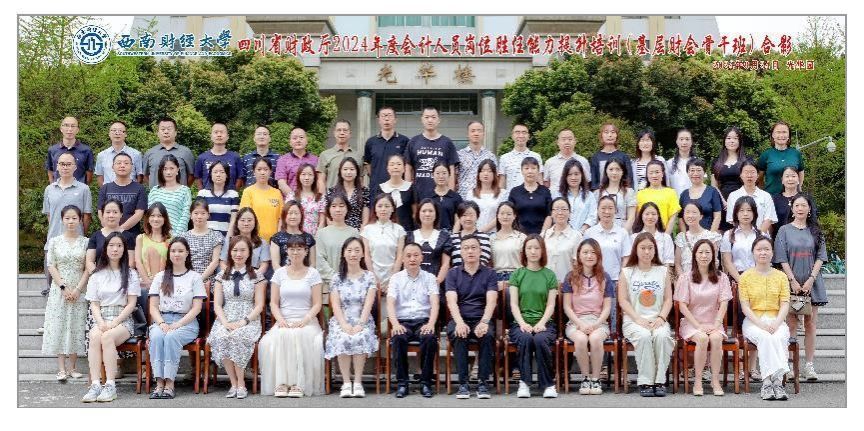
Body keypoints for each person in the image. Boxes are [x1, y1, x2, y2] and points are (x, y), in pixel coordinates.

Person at [259, 236, 325, 397]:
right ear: (287, 251)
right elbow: (273, 303)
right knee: (278, 336)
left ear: (306, 251)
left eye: (299, 249)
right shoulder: (279, 273)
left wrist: (305, 320)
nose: (295, 252)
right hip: (284, 321)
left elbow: (317, 304)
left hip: (307, 322)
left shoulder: (313, 273)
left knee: (298, 335)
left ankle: (298, 384)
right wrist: (281, 320)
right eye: (292, 249)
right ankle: (282, 383)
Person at [81, 232, 141, 403]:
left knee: (107, 337)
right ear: (105, 249)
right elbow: (94, 304)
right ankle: (95, 385)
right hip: (101, 318)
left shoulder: (131, 274)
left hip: (123, 319)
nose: (115, 249)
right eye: (111, 245)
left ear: (124, 249)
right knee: (94, 336)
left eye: (119, 246)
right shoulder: (97, 275)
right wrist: (100, 322)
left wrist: (115, 321)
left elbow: (131, 304)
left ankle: (110, 385)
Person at [774, 193, 827, 381]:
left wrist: (811, 279)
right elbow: (781, 257)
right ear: (792, 208)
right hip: (790, 283)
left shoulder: (816, 231)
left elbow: (821, 256)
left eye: (804, 205)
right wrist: (792, 281)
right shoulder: (784, 230)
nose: (800, 208)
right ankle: (789, 364)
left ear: (809, 208)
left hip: (812, 283)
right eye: (797, 205)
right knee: (791, 324)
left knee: (810, 324)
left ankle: (809, 366)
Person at [207, 235, 267, 399]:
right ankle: (233, 383)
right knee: (221, 336)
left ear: (249, 253)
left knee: (237, 337)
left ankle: (241, 383)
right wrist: (225, 322)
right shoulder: (221, 276)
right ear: (229, 252)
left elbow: (259, 305)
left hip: (248, 319)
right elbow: (217, 305)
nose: (238, 254)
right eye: (235, 250)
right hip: (226, 318)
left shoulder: (257, 276)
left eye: (242, 250)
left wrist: (244, 321)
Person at [147, 238, 206, 399]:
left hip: (186, 322)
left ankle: (170, 383)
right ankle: (159, 382)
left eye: (180, 251)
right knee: (157, 336)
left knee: (171, 336)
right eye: (173, 251)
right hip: (163, 319)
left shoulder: (195, 277)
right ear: (169, 254)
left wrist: (178, 324)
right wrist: (161, 323)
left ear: (187, 253)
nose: (177, 254)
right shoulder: (160, 277)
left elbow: (196, 308)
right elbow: (153, 307)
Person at [674, 239, 733, 396]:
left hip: (714, 321)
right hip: (691, 322)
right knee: (702, 338)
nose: (704, 255)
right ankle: (698, 380)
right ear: (694, 255)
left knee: (716, 338)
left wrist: (716, 324)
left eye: (708, 252)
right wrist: (698, 326)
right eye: (700, 252)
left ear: (713, 255)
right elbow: (682, 306)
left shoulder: (721, 277)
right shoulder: (686, 278)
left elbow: (724, 303)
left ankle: (715, 380)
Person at [618, 232, 674, 397]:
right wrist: (638, 319)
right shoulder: (627, 272)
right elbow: (623, 300)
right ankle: (645, 381)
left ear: (655, 250)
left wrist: (661, 318)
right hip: (634, 320)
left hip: (658, 319)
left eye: (650, 248)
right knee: (643, 336)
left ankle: (659, 380)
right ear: (635, 250)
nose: (647, 252)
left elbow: (668, 299)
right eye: (643, 248)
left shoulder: (663, 271)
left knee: (662, 336)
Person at [324, 237, 380, 398]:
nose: (353, 254)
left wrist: (360, 324)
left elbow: (369, 304)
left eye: (357, 250)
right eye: (349, 250)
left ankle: (358, 382)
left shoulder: (369, 277)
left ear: (362, 254)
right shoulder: (337, 278)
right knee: (342, 337)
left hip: (363, 319)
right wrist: (343, 324)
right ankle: (346, 383)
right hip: (341, 319)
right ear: (343, 254)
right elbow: (335, 305)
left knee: (360, 336)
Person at [738, 235, 791, 401]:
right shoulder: (745, 277)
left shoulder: (781, 276)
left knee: (779, 336)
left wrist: (776, 323)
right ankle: (768, 382)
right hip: (753, 321)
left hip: (777, 320)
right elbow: (745, 307)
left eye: (766, 249)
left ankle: (776, 383)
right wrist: (761, 324)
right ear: (753, 252)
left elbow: (785, 304)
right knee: (765, 337)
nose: (763, 252)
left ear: (772, 253)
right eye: (759, 249)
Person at [445, 235, 498, 399]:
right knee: (459, 334)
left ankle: (483, 382)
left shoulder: (490, 273)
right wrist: (460, 323)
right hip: (460, 318)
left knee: (487, 335)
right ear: (461, 252)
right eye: (466, 248)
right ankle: (463, 383)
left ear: (480, 251)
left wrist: (484, 322)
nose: (470, 251)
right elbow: (451, 301)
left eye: (474, 247)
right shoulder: (453, 274)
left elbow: (491, 301)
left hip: (482, 318)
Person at [508, 234, 559, 398]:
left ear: (542, 251)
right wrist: (522, 323)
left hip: (545, 323)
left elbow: (551, 305)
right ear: (524, 251)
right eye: (529, 248)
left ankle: (548, 385)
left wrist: (542, 323)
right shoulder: (517, 274)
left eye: (537, 248)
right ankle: (524, 383)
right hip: (520, 323)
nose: (533, 251)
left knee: (540, 339)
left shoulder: (549, 275)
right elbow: (514, 304)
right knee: (525, 338)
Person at [42, 205, 89, 382]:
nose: (71, 221)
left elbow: (87, 268)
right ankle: (61, 368)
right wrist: (63, 287)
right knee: (60, 325)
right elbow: (51, 265)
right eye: (67, 218)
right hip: (59, 290)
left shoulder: (86, 242)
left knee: (76, 325)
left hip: (80, 288)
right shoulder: (54, 241)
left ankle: (73, 367)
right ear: (62, 220)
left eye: (74, 218)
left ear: (80, 220)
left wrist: (77, 289)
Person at [562, 238, 614, 395]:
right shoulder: (570, 277)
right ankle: (585, 378)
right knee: (581, 339)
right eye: (585, 252)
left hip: (599, 322)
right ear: (579, 255)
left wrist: (596, 324)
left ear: (598, 255)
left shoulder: (605, 277)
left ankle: (596, 379)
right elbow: (567, 306)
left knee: (595, 338)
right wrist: (580, 324)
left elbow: (607, 307)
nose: (589, 256)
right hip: (575, 322)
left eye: (593, 252)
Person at [387, 242, 440, 398]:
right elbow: (390, 303)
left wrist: (431, 324)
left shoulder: (430, 278)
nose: (412, 259)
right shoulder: (396, 278)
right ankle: (402, 383)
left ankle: (426, 382)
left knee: (429, 338)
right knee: (398, 338)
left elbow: (435, 303)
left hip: (423, 321)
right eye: (408, 256)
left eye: (416, 255)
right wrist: (395, 324)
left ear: (422, 257)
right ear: (403, 259)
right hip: (402, 321)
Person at [42, 153, 93, 296]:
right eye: (62, 164)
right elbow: (49, 215)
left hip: (77, 243)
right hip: (53, 240)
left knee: (77, 283)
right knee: (52, 285)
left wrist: (79, 234)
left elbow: (87, 216)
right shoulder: (49, 189)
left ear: (75, 167)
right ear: (57, 166)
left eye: (69, 164)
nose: (65, 167)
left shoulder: (84, 189)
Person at [585, 196, 632, 332]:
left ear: (615, 211)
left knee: (613, 316)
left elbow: (626, 258)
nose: (607, 212)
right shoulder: (590, 232)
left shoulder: (622, 233)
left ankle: (612, 340)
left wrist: (621, 279)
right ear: (597, 210)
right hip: (593, 280)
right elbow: (584, 256)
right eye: (603, 208)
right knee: (594, 314)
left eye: (610, 208)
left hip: (615, 281)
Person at [404, 106, 460, 201]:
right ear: (422, 119)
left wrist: (450, 196)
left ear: (439, 120)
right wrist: (408, 193)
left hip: (441, 196)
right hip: (418, 195)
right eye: (427, 117)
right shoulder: (413, 142)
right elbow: (408, 169)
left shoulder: (447, 142)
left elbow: (452, 171)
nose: (430, 120)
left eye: (433, 117)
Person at [360, 193, 406, 290]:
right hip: (372, 277)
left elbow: (400, 256)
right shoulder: (367, 230)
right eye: (380, 206)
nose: (383, 209)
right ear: (375, 209)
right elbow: (367, 255)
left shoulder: (399, 230)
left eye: (387, 206)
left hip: (393, 277)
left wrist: (392, 279)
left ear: (392, 209)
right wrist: (373, 278)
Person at [97, 152, 147, 238]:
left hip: (132, 235)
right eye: (119, 163)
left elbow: (139, 214)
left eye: (126, 163)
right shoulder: (105, 188)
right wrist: (110, 230)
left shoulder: (139, 188)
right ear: (113, 167)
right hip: (108, 235)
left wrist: (120, 230)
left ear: (132, 167)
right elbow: (100, 212)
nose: (122, 165)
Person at [315, 193, 360, 288]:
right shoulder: (321, 233)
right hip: (328, 286)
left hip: (350, 284)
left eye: (341, 206)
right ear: (328, 210)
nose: (338, 209)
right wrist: (336, 278)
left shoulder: (354, 232)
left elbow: (357, 258)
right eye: (334, 206)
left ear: (347, 209)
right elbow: (320, 260)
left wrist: (347, 278)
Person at [490, 202, 525, 320]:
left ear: (514, 216)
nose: (505, 216)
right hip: (496, 277)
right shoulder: (491, 238)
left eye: (509, 214)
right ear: (497, 216)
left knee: (511, 302)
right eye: (502, 213)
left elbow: (525, 263)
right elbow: (490, 262)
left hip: (517, 276)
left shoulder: (521, 237)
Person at [711, 126, 751, 230]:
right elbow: (714, 185)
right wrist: (723, 202)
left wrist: (737, 201)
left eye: (735, 138)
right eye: (728, 138)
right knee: (723, 231)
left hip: (743, 201)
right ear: (724, 141)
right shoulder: (716, 162)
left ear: (739, 141)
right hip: (722, 202)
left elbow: (750, 182)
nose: (731, 141)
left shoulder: (747, 160)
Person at [134, 202, 172, 312]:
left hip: (164, 282)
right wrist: (148, 282)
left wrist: (158, 283)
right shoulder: (141, 238)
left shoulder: (171, 240)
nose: (156, 219)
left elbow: (172, 264)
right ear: (148, 218)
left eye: (159, 216)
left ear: (164, 219)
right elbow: (138, 261)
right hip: (144, 282)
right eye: (152, 216)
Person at [406, 199, 452, 287]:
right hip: (412, 284)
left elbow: (446, 264)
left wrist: (436, 283)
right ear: (418, 214)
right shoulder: (410, 236)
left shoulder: (444, 236)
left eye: (431, 211)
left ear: (436, 214)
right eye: (424, 211)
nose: (427, 214)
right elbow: (406, 262)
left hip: (437, 284)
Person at [364, 106, 410, 193]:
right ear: (378, 120)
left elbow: (407, 165)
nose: (386, 119)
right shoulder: (371, 142)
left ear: (395, 120)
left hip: (398, 189)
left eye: (389, 115)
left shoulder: (404, 141)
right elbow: (368, 164)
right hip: (377, 188)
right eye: (383, 116)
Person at [725, 159, 778, 235]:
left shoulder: (766, 196)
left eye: (752, 172)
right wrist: (747, 236)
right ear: (741, 175)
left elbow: (768, 219)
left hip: (761, 237)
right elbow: (733, 219)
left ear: (758, 175)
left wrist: (758, 236)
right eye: (746, 172)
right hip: (740, 237)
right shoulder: (733, 196)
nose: (749, 176)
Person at [178, 198, 224, 283]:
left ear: (208, 215)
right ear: (191, 215)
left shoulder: (216, 236)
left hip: (208, 282)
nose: (199, 216)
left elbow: (215, 261)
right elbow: (180, 260)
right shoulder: (183, 237)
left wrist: (199, 280)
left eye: (203, 213)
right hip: (186, 280)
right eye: (196, 213)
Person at [240, 157, 283, 242]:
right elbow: (245, 217)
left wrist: (277, 238)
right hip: (253, 240)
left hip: (273, 241)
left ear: (270, 172)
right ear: (254, 172)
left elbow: (281, 218)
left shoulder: (277, 193)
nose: (262, 172)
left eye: (265, 169)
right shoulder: (248, 192)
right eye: (259, 169)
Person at [147, 154, 191, 237]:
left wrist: (175, 236)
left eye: (172, 168)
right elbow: (150, 215)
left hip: (177, 237)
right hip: (156, 236)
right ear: (161, 171)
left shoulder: (185, 191)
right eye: (165, 169)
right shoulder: (154, 191)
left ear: (177, 169)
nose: (168, 172)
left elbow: (185, 215)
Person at [218, 206, 271, 276]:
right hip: (231, 275)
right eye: (242, 220)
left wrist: (252, 277)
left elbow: (264, 265)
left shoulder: (262, 243)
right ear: (237, 222)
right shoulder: (229, 241)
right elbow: (222, 263)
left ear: (255, 222)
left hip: (254, 276)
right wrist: (232, 276)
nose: (246, 224)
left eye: (249, 220)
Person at [143, 117, 195, 187]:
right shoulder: (150, 153)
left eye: (169, 129)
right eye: (163, 129)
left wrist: (183, 189)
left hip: (179, 193)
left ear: (175, 133)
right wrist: (154, 188)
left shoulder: (186, 152)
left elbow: (192, 175)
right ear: (158, 133)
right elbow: (145, 175)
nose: (166, 132)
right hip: (157, 193)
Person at [587, 158, 636, 231]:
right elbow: (595, 217)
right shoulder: (597, 193)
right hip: (601, 231)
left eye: (618, 169)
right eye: (611, 169)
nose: (614, 172)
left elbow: (631, 217)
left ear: (622, 172)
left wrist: (622, 234)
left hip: (623, 230)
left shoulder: (629, 192)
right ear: (606, 171)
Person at [720, 196, 760, 285]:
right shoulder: (728, 235)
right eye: (741, 210)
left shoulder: (761, 235)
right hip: (736, 279)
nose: (745, 214)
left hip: (758, 279)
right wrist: (741, 281)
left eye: (749, 210)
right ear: (736, 214)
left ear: (754, 213)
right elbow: (727, 261)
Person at [507, 157, 552, 235]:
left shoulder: (545, 191)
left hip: (541, 234)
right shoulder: (515, 192)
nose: (530, 171)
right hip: (518, 235)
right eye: (526, 168)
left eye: (533, 168)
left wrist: (542, 234)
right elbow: (510, 213)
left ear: (538, 171)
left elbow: (550, 214)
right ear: (522, 171)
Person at [757, 121, 805, 194]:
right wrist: (764, 193)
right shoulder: (766, 154)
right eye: (778, 132)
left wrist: (799, 188)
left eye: (784, 132)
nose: (781, 135)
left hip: (792, 197)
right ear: (773, 135)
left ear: (788, 135)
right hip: (772, 197)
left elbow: (801, 172)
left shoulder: (796, 154)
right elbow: (759, 178)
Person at [675, 202, 722, 276]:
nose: (690, 215)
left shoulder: (711, 237)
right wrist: (684, 280)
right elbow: (677, 264)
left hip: (706, 280)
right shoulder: (681, 238)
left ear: (701, 216)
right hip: (686, 280)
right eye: (687, 212)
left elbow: (714, 262)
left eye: (694, 212)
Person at [372, 154, 416, 232]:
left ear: (404, 168)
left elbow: (415, 213)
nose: (395, 167)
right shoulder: (381, 188)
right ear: (387, 169)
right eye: (392, 164)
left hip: (407, 230)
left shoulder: (411, 188)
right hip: (386, 230)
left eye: (399, 164)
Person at [771, 166, 818, 239]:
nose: (790, 179)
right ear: (782, 180)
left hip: (804, 239)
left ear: (798, 180)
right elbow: (771, 224)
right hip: (780, 240)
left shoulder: (806, 198)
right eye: (787, 176)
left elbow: (813, 220)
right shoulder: (774, 200)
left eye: (793, 176)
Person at [270, 200, 317, 272]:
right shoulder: (276, 238)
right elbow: (276, 265)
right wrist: (287, 277)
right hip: (283, 277)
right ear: (284, 216)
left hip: (305, 276)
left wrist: (305, 276)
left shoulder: (309, 238)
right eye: (290, 213)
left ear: (301, 216)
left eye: (296, 213)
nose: (293, 216)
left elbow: (312, 264)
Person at [45, 116, 95, 184]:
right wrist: (52, 186)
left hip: (79, 189)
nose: (70, 129)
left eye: (73, 126)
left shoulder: (86, 150)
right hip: (58, 189)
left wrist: (83, 187)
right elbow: (50, 170)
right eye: (66, 125)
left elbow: (89, 173)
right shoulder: (52, 150)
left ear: (77, 130)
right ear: (61, 129)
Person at [196, 161, 240, 237]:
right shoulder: (202, 194)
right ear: (210, 174)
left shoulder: (233, 195)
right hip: (204, 236)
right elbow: (198, 217)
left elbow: (234, 219)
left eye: (222, 172)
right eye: (215, 172)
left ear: (227, 175)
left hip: (226, 236)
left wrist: (228, 238)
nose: (218, 175)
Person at [324, 157, 370, 230]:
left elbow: (365, 219)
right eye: (345, 169)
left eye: (352, 169)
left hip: (357, 231)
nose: (348, 172)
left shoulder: (364, 191)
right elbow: (328, 217)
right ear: (340, 172)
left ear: (357, 172)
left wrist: (361, 232)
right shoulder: (332, 191)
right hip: (336, 230)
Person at [543, 197, 583, 281]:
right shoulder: (544, 235)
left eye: (564, 209)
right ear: (551, 213)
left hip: (567, 284)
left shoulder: (576, 236)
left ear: (569, 213)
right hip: (545, 284)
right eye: (556, 209)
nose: (560, 212)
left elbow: (578, 265)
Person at [194, 123, 243, 190]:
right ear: (211, 136)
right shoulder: (202, 158)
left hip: (229, 195)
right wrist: (202, 192)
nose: (219, 135)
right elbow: (197, 177)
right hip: (207, 195)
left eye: (222, 132)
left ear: (227, 136)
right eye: (216, 132)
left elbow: (240, 177)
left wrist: (234, 192)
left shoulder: (235, 157)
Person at [679, 158, 723, 233]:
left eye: (699, 170)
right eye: (692, 170)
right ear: (688, 172)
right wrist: (684, 236)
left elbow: (717, 216)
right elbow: (681, 218)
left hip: (708, 235)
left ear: (704, 172)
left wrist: (710, 236)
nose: (695, 173)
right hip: (689, 236)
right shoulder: (684, 194)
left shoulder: (712, 191)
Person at [95, 120, 144, 186]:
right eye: (114, 130)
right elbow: (99, 176)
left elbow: (140, 176)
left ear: (125, 134)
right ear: (109, 134)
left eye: (120, 130)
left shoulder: (136, 154)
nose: (117, 133)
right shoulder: (101, 155)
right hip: (109, 191)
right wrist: (105, 190)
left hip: (130, 191)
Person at [457, 121, 497, 199]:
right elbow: (454, 177)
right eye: (473, 131)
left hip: (484, 198)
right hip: (463, 198)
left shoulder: (490, 156)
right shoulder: (459, 155)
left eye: (479, 131)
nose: (476, 133)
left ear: (483, 134)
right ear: (468, 134)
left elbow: (495, 179)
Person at [636, 160, 680, 230]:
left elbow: (673, 217)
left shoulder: (671, 192)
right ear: (647, 175)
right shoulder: (640, 194)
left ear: (662, 174)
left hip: (664, 232)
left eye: (657, 172)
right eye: (651, 173)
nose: (654, 175)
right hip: (645, 233)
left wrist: (666, 235)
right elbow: (638, 217)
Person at [465, 159, 508, 233]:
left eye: (489, 171)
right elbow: (468, 214)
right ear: (478, 174)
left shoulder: (502, 193)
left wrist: (483, 230)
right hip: (474, 233)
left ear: (494, 174)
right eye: (482, 171)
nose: (486, 173)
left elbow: (502, 214)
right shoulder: (471, 193)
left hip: (495, 233)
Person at [554, 159, 596, 232]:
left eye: (576, 174)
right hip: (562, 234)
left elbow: (592, 217)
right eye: (569, 174)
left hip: (584, 235)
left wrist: (580, 232)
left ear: (581, 175)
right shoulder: (558, 195)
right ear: (565, 176)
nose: (573, 178)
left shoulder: (589, 195)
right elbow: (555, 215)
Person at [499, 124, 543, 193]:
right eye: (517, 132)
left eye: (524, 132)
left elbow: (540, 181)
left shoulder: (536, 156)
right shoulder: (504, 158)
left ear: (528, 136)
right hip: (511, 197)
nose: (521, 135)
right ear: (512, 136)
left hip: (532, 197)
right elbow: (501, 184)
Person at [544, 128, 591, 192]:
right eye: (563, 139)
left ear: (575, 141)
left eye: (570, 139)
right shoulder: (549, 162)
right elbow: (546, 184)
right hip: (555, 197)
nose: (567, 142)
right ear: (558, 142)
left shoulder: (583, 161)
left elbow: (587, 182)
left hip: (577, 196)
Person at [276, 127, 319, 196]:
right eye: (294, 138)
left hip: (311, 199)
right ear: (290, 142)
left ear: (307, 141)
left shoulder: (315, 160)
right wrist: (294, 198)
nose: (298, 140)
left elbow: (319, 181)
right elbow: (281, 183)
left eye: (301, 137)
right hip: (290, 200)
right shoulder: (283, 160)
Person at [589, 122, 632, 190]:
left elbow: (629, 179)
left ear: (617, 135)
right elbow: (593, 182)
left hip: (621, 193)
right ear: (601, 136)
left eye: (613, 132)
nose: (610, 135)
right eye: (606, 132)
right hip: (601, 194)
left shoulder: (624, 157)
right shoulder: (596, 157)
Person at [286, 163, 326, 236]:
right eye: (303, 174)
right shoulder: (291, 196)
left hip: (314, 235)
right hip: (294, 236)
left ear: (314, 177)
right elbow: (286, 217)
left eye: (310, 174)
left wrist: (318, 236)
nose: (306, 178)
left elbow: (322, 221)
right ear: (298, 176)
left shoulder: (320, 197)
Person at [631, 202, 675, 268]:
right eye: (647, 214)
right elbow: (632, 261)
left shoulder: (666, 238)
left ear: (658, 216)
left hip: (661, 272)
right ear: (641, 216)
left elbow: (668, 263)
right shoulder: (634, 237)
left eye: (653, 214)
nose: (650, 217)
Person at [449, 201, 492, 267]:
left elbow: (484, 261)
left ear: (477, 216)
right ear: (459, 217)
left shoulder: (484, 237)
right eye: (464, 215)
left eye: (471, 215)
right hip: (456, 273)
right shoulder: (452, 238)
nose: (468, 218)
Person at [318, 119, 358, 191]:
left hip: (353, 197)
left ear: (350, 133)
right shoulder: (325, 155)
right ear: (334, 133)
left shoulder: (358, 156)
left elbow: (360, 180)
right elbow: (321, 181)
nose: (342, 133)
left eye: (345, 130)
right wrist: (323, 196)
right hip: (332, 196)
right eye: (339, 130)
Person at [429, 161, 462, 231]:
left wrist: (454, 234)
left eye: (444, 173)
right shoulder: (428, 197)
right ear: (433, 175)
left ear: (449, 175)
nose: (441, 176)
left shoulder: (456, 197)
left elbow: (458, 220)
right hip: (432, 234)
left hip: (450, 234)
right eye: (437, 173)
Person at [665, 128, 697, 196]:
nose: (684, 142)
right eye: (681, 139)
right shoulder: (669, 163)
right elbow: (667, 185)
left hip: (694, 200)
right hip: (674, 200)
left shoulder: (697, 162)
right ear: (677, 141)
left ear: (691, 142)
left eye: (687, 139)